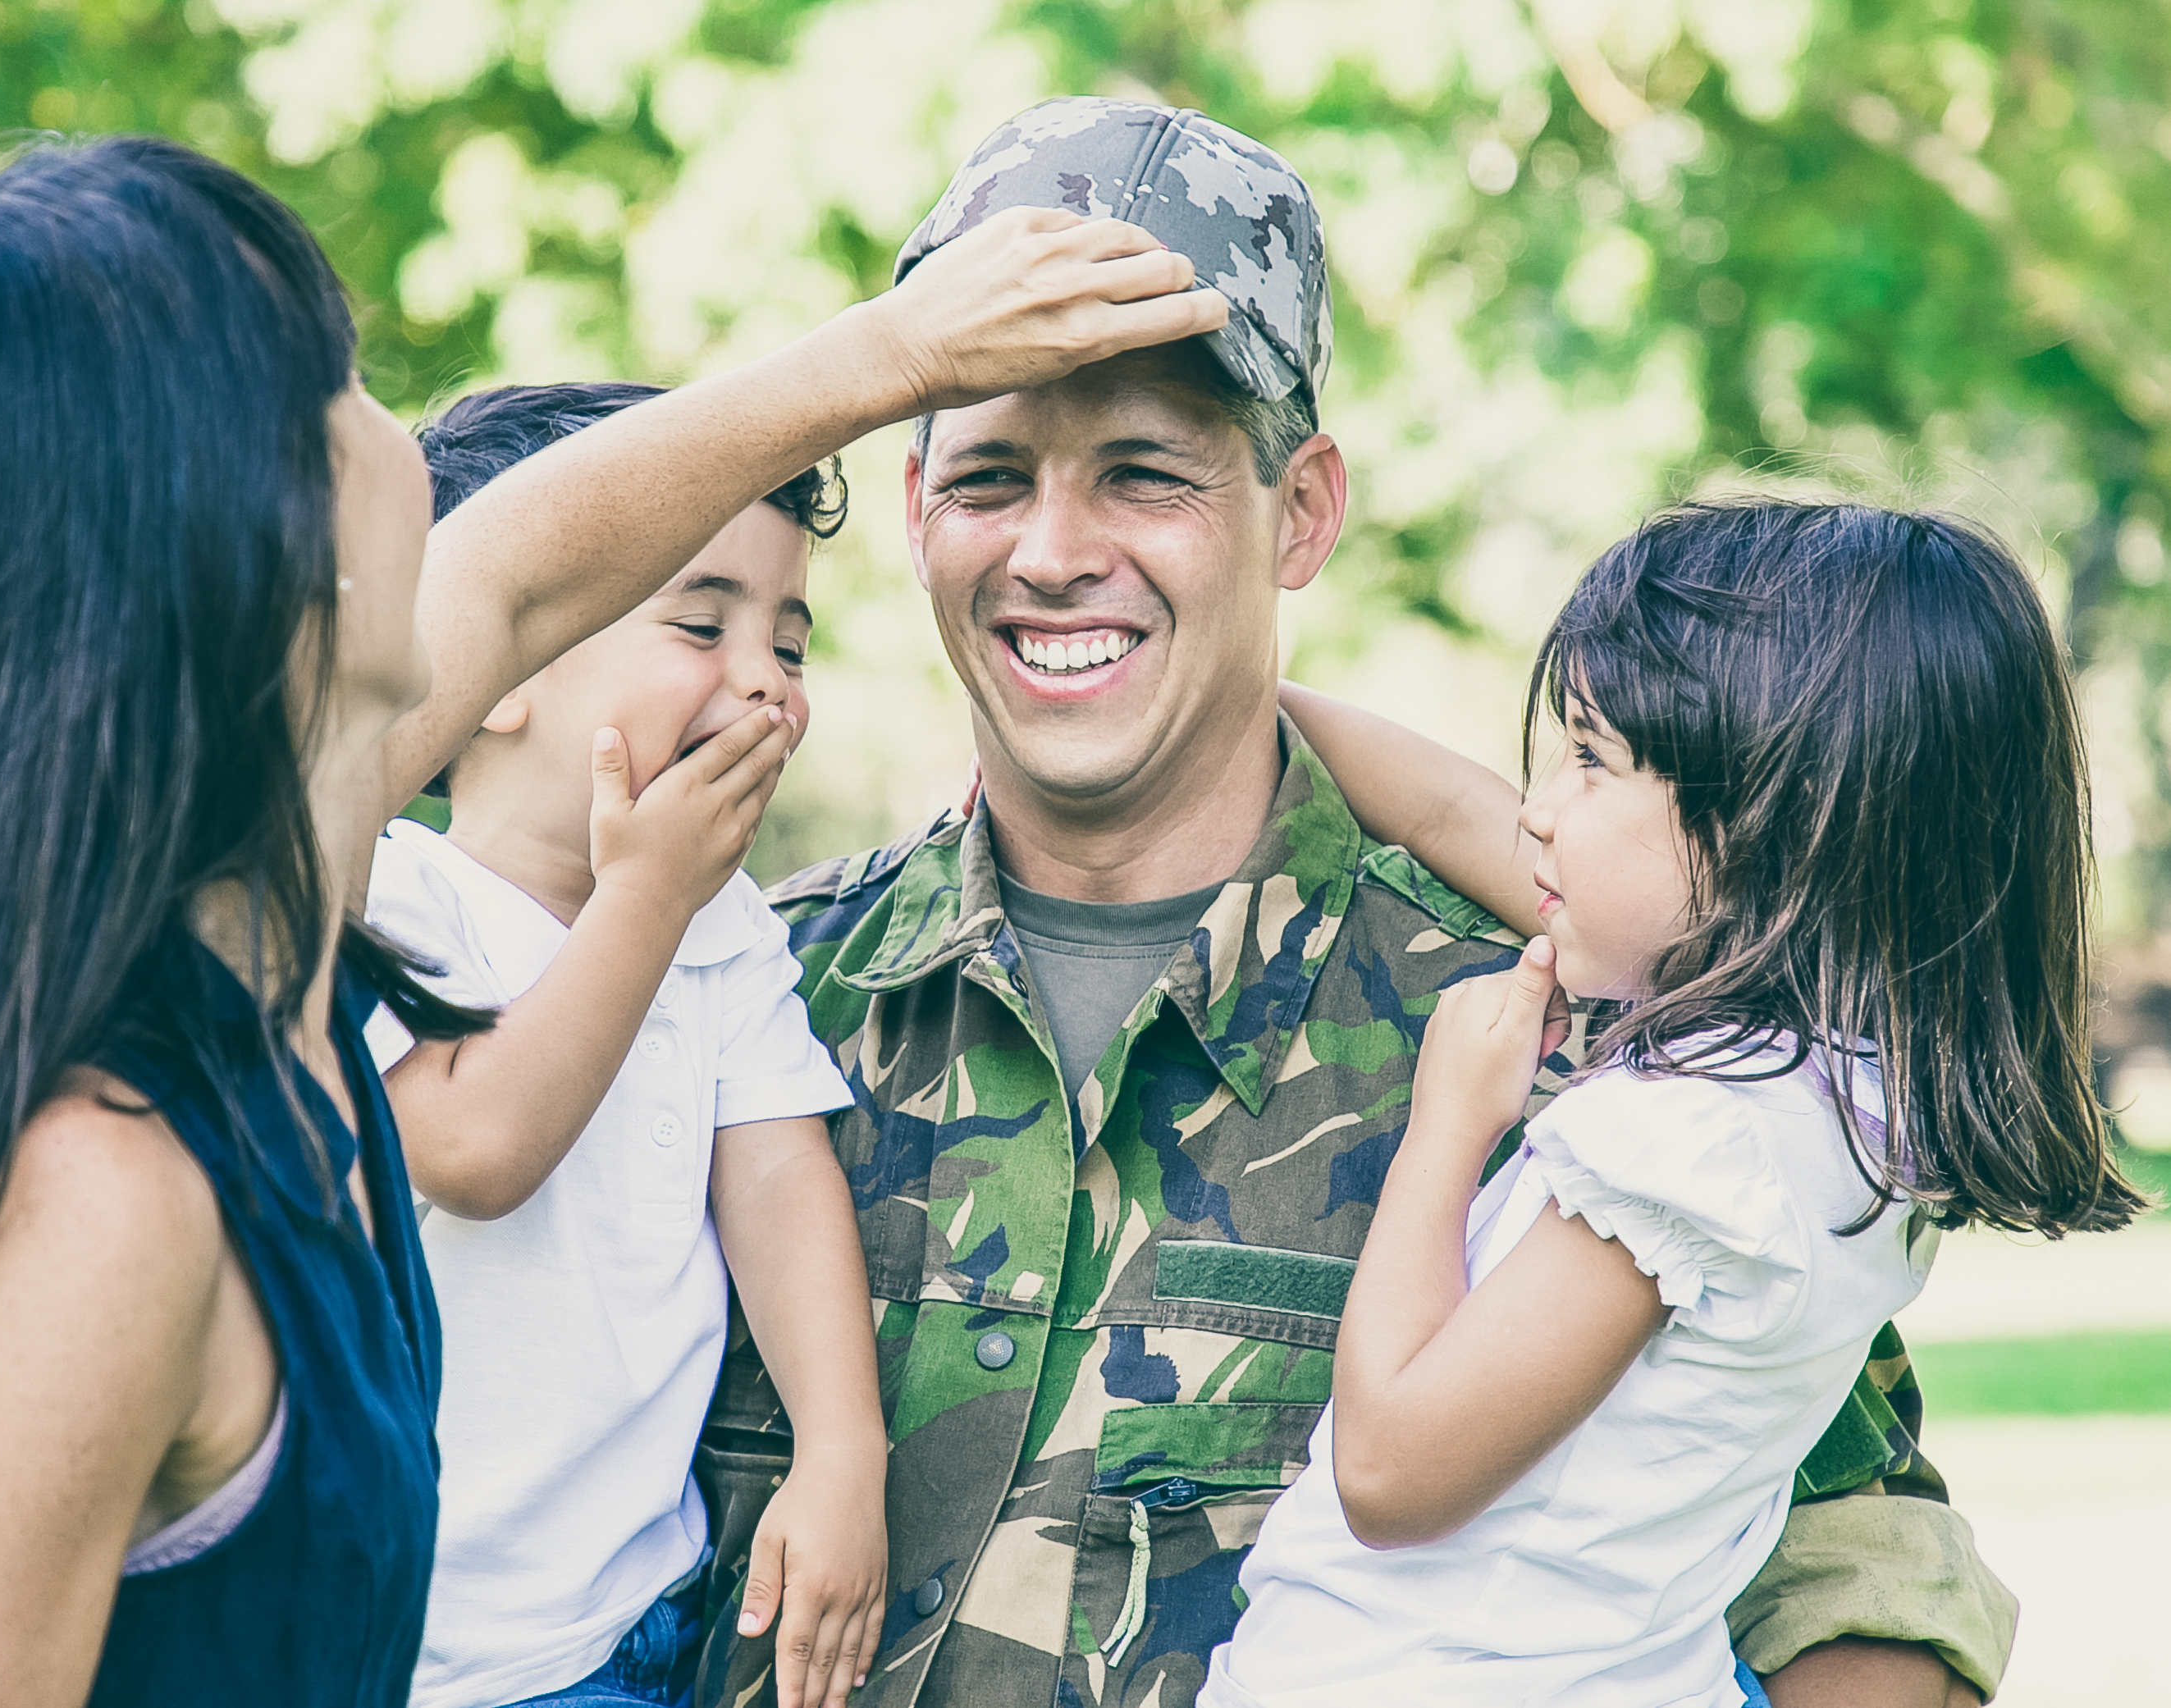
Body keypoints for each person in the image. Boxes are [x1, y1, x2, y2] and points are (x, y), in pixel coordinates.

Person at [0, 130, 1223, 1706]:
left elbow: (527, 577)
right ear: (261, 548)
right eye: (340, 385)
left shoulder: (260, 931)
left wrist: (899, 356)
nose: (398, 427)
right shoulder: (95, 1207)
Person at [692, 98, 2021, 1708]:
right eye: (986, 474)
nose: (1050, 550)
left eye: (1140, 472)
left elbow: (1853, 1570)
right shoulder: (741, 998)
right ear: (911, 515)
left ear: (1302, 510)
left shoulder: (1590, 1046)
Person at [1206, 501, 2146, 1706]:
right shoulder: (1846, 1093)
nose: (1540, 807)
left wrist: (1448, 1124)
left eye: (1592, 759)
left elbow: (1392, 1469)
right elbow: (1455, 813)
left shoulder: (1692, 1143)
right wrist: (1221, 708)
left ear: (1777, 827)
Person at [365, 382, 881, 1708]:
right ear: (492, 675)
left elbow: (775, 1176)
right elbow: (477, 1147)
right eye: (701, 623)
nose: (762, 676)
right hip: (419, 1653)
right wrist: (644, 897)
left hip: (625, 1631)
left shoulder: (725, 929)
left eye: (790, 642)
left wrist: (842, 1448)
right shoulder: (388, 903)